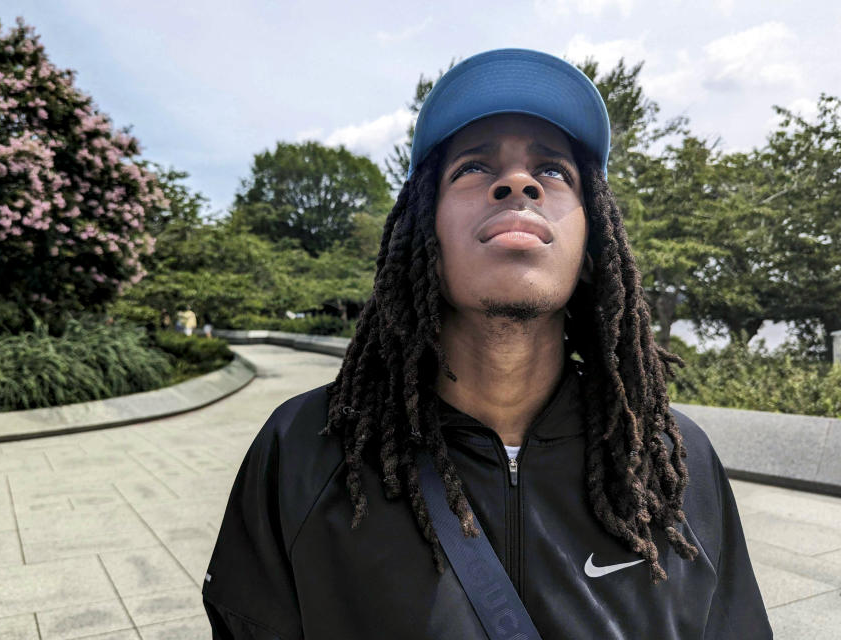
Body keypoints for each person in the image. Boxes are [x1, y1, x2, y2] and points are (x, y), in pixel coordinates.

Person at [202, 48, 772, 639]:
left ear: (591, 245)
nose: (518, 182)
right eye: (474, 168)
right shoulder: (300, 450)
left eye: (553, 170)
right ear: (424, 233)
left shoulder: (673, 462)